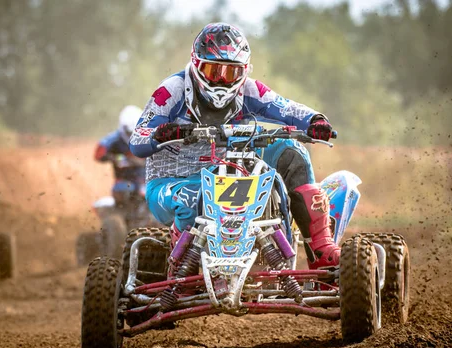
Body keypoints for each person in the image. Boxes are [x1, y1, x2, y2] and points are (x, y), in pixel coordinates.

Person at [129, 22, 339, 270]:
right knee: (194, 198)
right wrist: (159, 135)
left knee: (292, 153)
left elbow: (286, 107)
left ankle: (321, 248)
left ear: (244, 71)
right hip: (172, 180)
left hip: (232, 170)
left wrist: (315, 120)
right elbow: (137, 140)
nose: (220, 81)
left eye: (230, 73)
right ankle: (182, 265)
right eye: (212, 70)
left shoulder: (250, 90)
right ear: (196, 64)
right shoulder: (171, 91)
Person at [94, 105, 146, 206]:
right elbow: (98, 154)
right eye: (130, 132)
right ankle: (122, 216)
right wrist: (117, 158)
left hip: (146, 180)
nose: (133, 135)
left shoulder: (152, 137)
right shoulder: (114, 139)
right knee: (122, 191)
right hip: (124, 181)